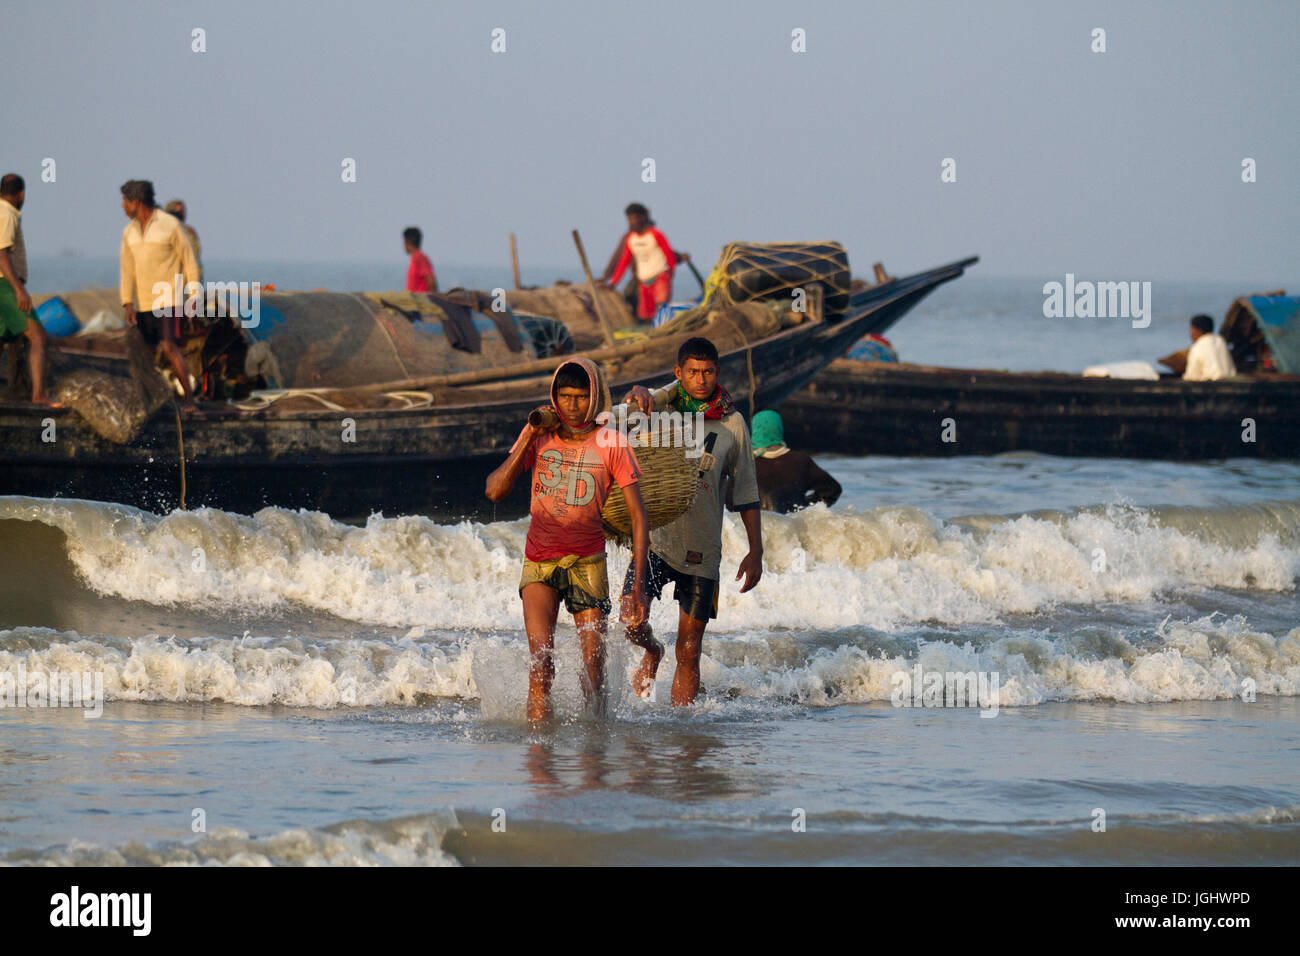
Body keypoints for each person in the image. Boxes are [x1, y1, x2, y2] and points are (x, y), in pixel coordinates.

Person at [485, 357, 649, 725]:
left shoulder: (612, 442)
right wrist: (528, 434)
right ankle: (541, 761)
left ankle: (595, 755)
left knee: (593, 670)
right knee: (540, 661)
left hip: (588, 563)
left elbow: (639, 516)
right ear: (553, 398)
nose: (571, 406)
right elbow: (494, 490)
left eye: (579, 396)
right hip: (540, 562)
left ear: (593, 398)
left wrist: (636, 588)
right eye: (564, 396)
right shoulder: (540, 435)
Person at [621, 337, 763, 705]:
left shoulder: (733, 424)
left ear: (717, 372)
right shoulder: (660, 409)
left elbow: (747, 491)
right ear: (678, 373)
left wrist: (756, 550)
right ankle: (652, 652)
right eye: (693, 372)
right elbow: (621, 418)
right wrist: (640, 392)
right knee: (630, 622)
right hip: (654, 541)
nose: (701, 380)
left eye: (709, 372)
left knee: (689, 650)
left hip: (702, 549)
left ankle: (685, 740)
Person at [119, 179, 200, 400]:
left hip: (169, 299)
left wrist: (193, 296)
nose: (122, 206)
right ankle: (152, 398)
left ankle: (189, 400)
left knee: (169, 346)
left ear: (136, 202)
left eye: (125, 202)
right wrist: (127, 302)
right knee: (144, 353)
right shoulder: (129, 232)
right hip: (143, 303)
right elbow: (127, 270)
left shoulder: (169, 225)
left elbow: (189, 261)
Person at [0, 174, 52, 404]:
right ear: (21, 194)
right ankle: (39, 395)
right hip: (6, 286)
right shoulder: (7, 214)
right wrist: (19, 289)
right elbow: (2, 254)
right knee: (38, 337)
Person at [750, 409, 842, 513]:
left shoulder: (747, 466)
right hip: (794, 524)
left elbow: (731, 503)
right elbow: (832, 490)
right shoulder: (800, 460)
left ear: (755, 431)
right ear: (779, 429)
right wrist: (807, 506)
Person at [603, 203, 682, 322]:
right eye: (629, 219)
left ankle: (663, 331)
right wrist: (613, 282)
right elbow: (624, 262)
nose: (631, 222)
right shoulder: (631, 239)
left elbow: (669, 255)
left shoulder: (656, 235)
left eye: (633, 218)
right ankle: (653, 336)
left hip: (660, 275)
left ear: (642, 218)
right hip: (644, 281)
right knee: (646, 315)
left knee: (661, 307)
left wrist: (670, 273)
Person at [1184, 314, 1236, 381]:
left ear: (1198, 330)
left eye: (1191, 329)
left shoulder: (1197, 346)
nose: (1190, 333)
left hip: (1211, 382)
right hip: (1229, 380)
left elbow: (1192, 376)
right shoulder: (1220, 341)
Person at [164, 199, 202, 278]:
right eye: (177, 212)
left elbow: (196, 253)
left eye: (182, 212)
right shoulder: (163, 231)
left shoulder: (190, 232)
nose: (180, 214)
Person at [403, 227, 437, 293]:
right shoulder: (415, 258)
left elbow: (431, 281)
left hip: (419, 301)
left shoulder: (420, 258)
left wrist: (430, 301)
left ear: (407, 242)